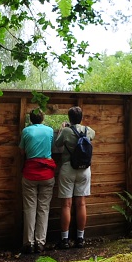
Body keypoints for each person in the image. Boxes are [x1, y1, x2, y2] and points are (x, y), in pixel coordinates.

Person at [52, 106, 95, 249]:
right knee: (81, 203)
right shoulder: (88, 130)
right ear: (81, 118)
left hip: (68, 168)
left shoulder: (66, 131)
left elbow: (57, 144)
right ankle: (80, 238)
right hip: (84, 170)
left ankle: (64, 240)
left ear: (69, 118)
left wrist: (62, 129)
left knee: (66, 204)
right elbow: (93, 136)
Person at [19, 108, 55, 254]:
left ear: (30, 119)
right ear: (43, 118)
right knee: (43, 208)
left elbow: (22, 151)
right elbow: (52, 147)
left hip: (30, 174)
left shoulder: (26, 131)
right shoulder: (50, 130)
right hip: (47, 174)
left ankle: (29, 243)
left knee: (29, 208)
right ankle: (40, 242)